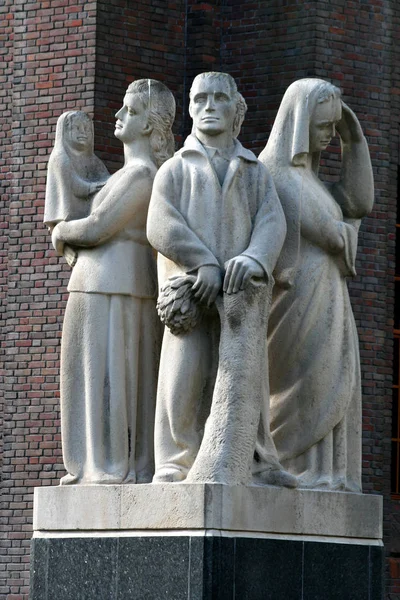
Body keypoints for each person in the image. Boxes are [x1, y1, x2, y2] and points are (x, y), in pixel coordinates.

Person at [147, 71, 296, 486]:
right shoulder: (175, 169)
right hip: (191, 291)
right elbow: (161, 224)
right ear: (190, 109)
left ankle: (257, 459)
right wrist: (203, 264)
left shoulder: (253, 170)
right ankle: (176, 461)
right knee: (184, 371)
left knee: (247, 374)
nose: (209, 106)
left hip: (239, 295)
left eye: (219, 98)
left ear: (236, 110)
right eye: (200, 99)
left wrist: (253, 258)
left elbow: (272, 222)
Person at [51, 79, 176, 484]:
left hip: (117, 286)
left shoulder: (143, 174)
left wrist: (61, 233)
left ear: (149, 125)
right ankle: (93, 464)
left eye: (131, 110)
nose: (118, 116)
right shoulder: (125, 174)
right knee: (91, 377)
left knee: (111, 378)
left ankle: (110, 466)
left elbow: (99, 227)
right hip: (99, 284)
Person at [259, 78, 374, 491]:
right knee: (304, 384)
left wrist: (354, 140)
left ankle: (325, 474)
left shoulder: (310, 178)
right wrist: (346, 231)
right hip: (295, 298)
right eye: (323, 127)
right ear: (299, 122)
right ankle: (300, 470)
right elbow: (334, 235)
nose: (328, 134)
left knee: (326, 381)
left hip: (326, 295)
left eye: (332, 127)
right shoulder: (278, 174)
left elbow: (359, 203)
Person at [44, 110, 110, 267]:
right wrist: (93, 187)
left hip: (87, 214)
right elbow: (74, 185)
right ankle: (65, 248)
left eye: (87, 129)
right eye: (78, 128)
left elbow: (106, 177)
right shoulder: (60, 157)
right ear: (66, 132)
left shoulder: (93, 160)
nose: (84, 133)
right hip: (68, 203)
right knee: (60, 227)